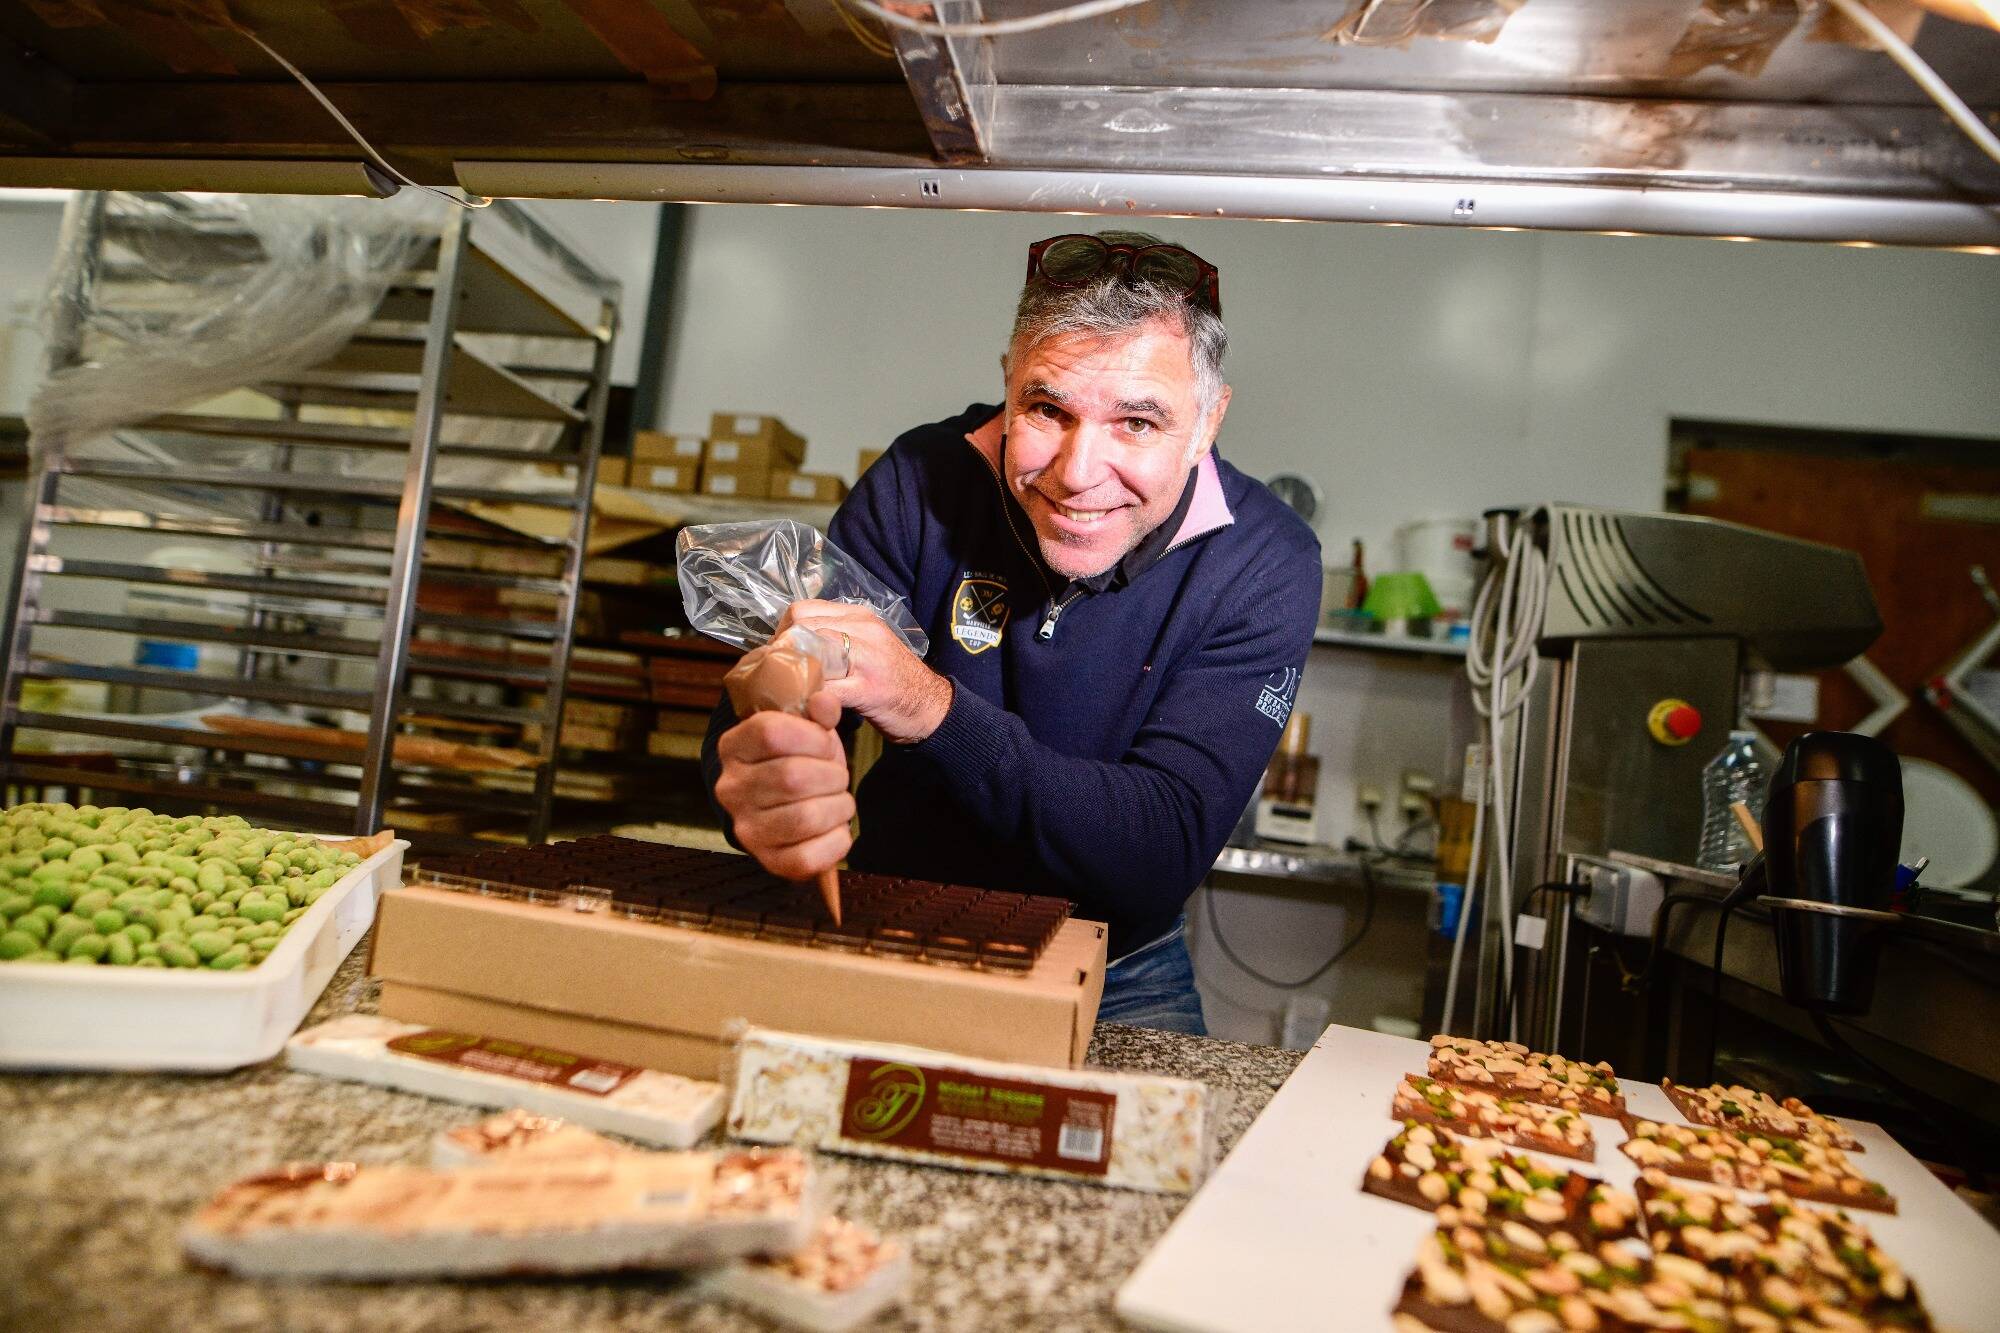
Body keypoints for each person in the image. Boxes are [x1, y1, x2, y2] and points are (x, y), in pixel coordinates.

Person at [702, 230, 1321, 1034]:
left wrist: (931, 710)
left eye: (1137, 421)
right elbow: (766, 705)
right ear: (1007, 382)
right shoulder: (921, 481)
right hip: (892, 928)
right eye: (1047, 408)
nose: (1076, 471)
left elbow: (1157, 851)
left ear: (1208, 421)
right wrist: (767, 757)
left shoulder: (1262, 560)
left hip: (1116, 971)